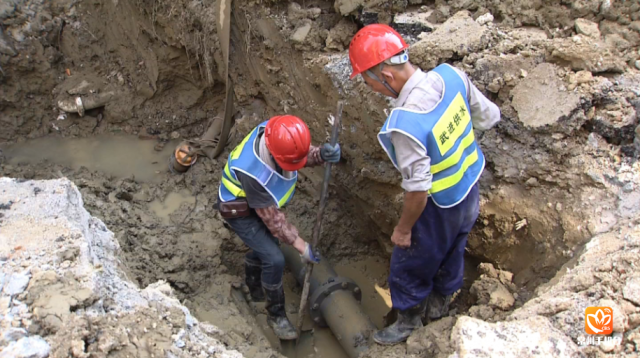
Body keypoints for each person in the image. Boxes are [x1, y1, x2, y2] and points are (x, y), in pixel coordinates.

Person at [347, 24, 501, 345]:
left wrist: (403, 230)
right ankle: (440, 304)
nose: (371, 89)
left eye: (368, 82)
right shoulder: (451, 76)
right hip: (470, 187)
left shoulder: (405, 124)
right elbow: (489, 117)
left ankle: (409, 322)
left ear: (385, 77)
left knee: (411, 262)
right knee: (454, 249)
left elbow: (417, 191)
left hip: (438, 206)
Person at [217, 115, 341, 340]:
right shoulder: (253, 171)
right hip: (238, 210)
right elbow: (273, 221)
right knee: (275, 258)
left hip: (256, 201)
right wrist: (301, 246)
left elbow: (297, 153)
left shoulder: (277, 133)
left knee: (269, 246)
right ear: (273, 154)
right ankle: (276, 316)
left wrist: (320, 154)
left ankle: (253, 280)